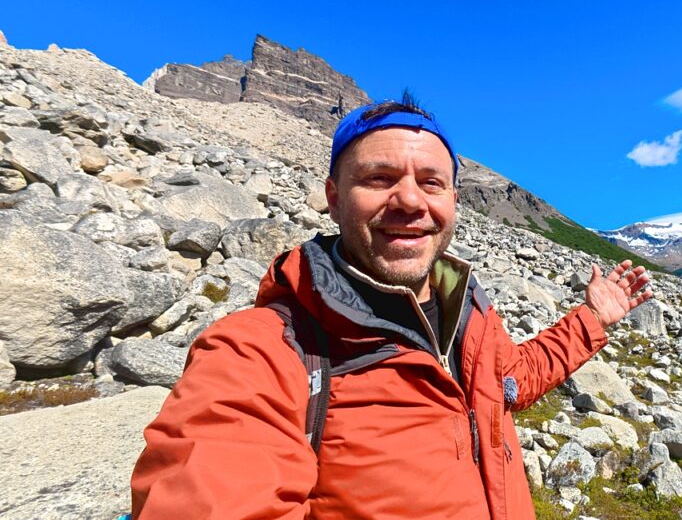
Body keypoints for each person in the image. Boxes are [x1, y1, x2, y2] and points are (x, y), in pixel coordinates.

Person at [129, 95, 653, 519]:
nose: (410, 201)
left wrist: (592, 321)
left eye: (431, 183)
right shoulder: (261, 353)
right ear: (333, 198)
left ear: (452, 201)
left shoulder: (468, 314)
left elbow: (508, 382)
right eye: (379, 179)